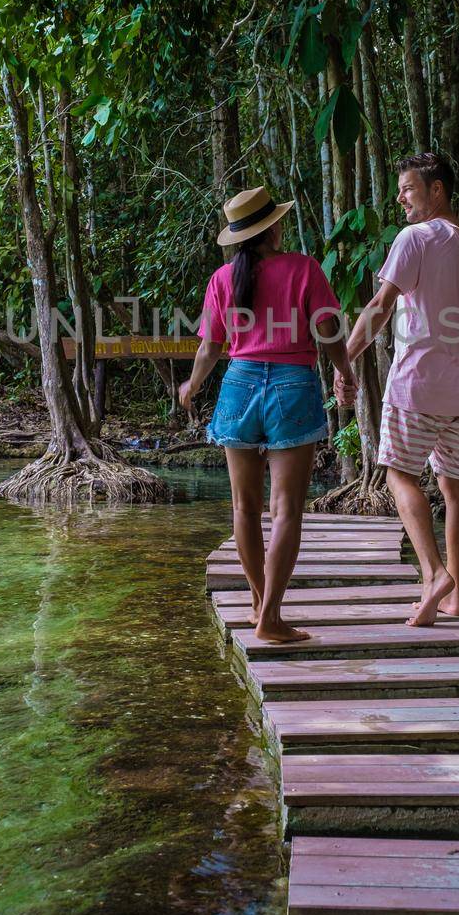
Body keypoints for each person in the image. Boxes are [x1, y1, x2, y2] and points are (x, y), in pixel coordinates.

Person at [335, 152, 459, 625]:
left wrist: (344, 361)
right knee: (455, 491)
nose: (400, 199)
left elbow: (378, 306)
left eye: (409, 189)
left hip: (414, 387)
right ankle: (452, 597)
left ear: (437, 190)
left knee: (398, 475)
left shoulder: (414, 238)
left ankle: (434, 573)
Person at [180, 186, 357, 644]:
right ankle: (271, 617)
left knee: (244, 507)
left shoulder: (222, 278)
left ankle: (260, 601)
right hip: (292, 385)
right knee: (286, 511)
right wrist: (344, 371)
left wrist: (192, 385)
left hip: (238, 386)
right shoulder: (303, 268)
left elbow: (210, 347)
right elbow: (328, 331)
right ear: (273, 226)